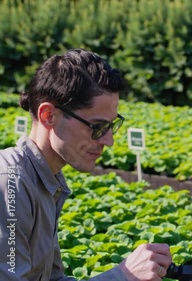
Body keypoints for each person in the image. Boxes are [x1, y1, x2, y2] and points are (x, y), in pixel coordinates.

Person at [0, 49, 172, 281]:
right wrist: (122, 275)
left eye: (112, 126)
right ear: (49, 115)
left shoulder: (46, 180)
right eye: (97, 127)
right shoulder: (11, 184)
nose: (108, 141)